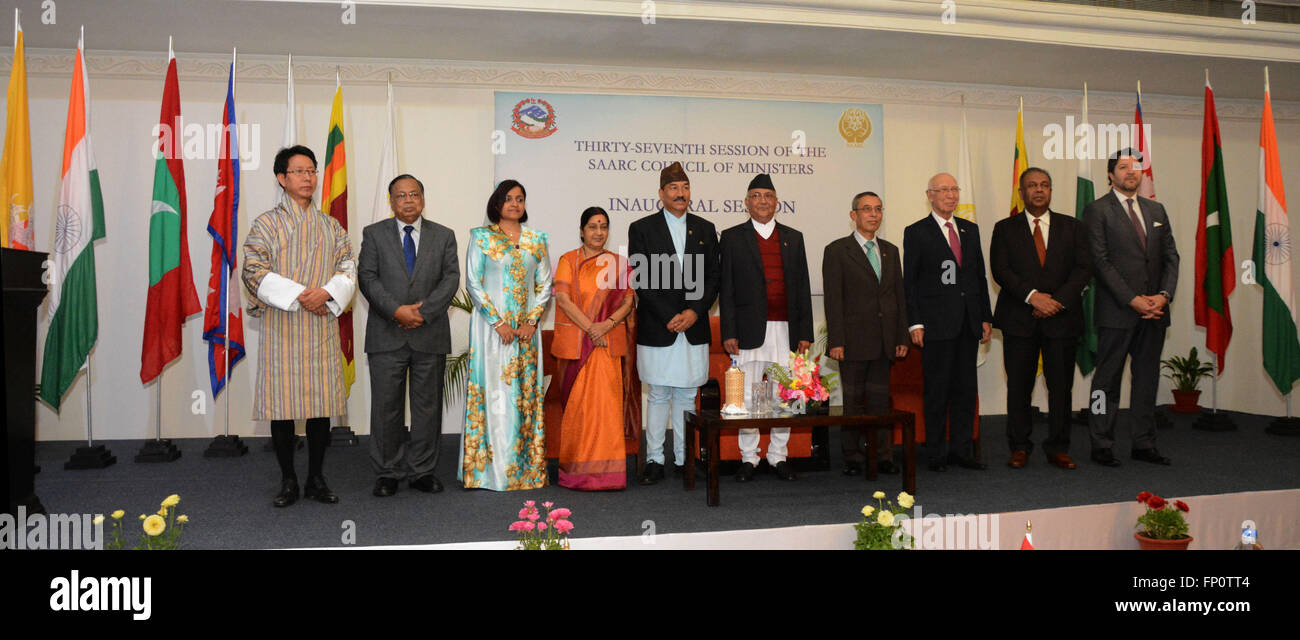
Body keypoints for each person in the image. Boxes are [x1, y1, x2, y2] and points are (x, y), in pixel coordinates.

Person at [242, 145, 356, 507]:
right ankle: (288, 479)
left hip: (320, 324)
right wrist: (299, 295)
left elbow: (348, 266)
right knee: (282, 408)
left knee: (321, 407)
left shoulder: (330, 225)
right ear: (282, 178)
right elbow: (252, 269)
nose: (308, 177)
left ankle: (316, 478)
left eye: (312, 170)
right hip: (283, 324)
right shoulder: (265, 223)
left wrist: (326, 293)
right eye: (299, 171)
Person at [358, 174, 460, 497]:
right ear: (391, 201)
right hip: (386, 333)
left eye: (414, 194)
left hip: (429, 334)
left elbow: (450, 279)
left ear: (423, 199)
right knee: (386, 407)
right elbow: (367, 278)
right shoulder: (373, 235)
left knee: (427, 407)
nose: (408, 200)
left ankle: (422, 470)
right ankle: (387, 471)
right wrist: (397, 311)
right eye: (401, 196)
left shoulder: (444, 236)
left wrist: (422, 312)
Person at [1082, 149, 1179, 467]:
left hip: (1155, 312)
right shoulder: (1097, 210)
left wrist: (1163, 296)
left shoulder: (1156, 208)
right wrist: (1133, 300)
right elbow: (1101, 262)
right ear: (1110, 175)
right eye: (1123, 167)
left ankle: (1144, 443)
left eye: (1136, 167)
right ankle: (1101, 443)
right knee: (1105, 382)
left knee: (1147, 379)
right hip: (1117, 312)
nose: (1130, 172)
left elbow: (1170, 258)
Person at [990, 168, 1091, 470]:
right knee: (1019, 387)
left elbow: (1084, 269)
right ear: (1021, 193)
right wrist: (1033, 296)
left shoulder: (1073, 227)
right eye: (1032, 185)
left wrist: (1056, 301)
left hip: (1062, 319)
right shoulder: (1004, 228)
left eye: (1044, 185)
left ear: (1051, 191)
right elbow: (1001, 270)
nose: (1039, 190)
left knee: (1061, 388)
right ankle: (1019, 446)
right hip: (1019, 318)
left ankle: (1058, 447)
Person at [627, 161, 720, 485]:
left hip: (693, 326)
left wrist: (694, 311)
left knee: (686, 395)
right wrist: (669, 314)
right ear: (661, 194)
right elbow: (641, 278)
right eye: (673, 189)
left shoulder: (705, 228)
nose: (680, 194)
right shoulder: (642, 228)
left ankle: (684, 458)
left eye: (685, 188)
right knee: (658, 394)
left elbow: (713, 277)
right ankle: (654, 459)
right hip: (658, 325)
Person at [459, 179, 553, 490]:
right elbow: (473, 282)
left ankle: (525, 471)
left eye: (520, 199)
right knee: (492, 393)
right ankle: (489, 473)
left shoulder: (536, 240)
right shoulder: (482, 237)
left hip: (526, 332)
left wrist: (531, 322)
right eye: (508, 198)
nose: (514, 204)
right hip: (491, 331)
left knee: (522, 397)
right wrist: (498, 323)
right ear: (496, 204)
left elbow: (544, 286)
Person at [719, 174, 813, 482]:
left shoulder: (793, 236)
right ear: (746, 203)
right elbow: (727, 289)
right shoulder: (732, 237)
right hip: (748, 329)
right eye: (756, 196)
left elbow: (802, 287)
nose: (762, 201)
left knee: (782, 395)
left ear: (776, 201)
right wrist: (728, 331)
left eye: (768, 195)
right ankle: (749, 458)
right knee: (745, 396)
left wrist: (805, 334)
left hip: (786, 327)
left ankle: (778, 456)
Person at [903, 172, 993, 472]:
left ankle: (963, 451)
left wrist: (984, 316)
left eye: (955, 189)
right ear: (929, 195)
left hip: (968, 324)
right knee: (938, 391)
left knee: (966, 391)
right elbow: (910, 282)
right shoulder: (916, 232)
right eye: (944, 190)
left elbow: (978, 276)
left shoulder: (970, 229)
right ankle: (937, 453)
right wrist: (914, 323)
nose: (951, 195)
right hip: (936, 326)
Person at [823, 191, 909, 476]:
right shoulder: (837, 250)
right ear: (853, 216)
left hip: (885, 340)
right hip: (852, 341)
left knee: (879, 402)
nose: (873, 214)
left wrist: (900, 337)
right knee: (853, 402)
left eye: (878, 209)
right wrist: (836, 341)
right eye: (866, 209)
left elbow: (898, 296)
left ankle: (882, 454)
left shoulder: (891, 250)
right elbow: (833, 301)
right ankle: (853, 456)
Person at [551, 207, 637, 490]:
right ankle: (576, 472)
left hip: (607, 344)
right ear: (581, 231)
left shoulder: (619, 263)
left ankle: (609, 474)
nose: (598, 232)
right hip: (578, 344)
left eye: (603, 227)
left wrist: (606, 325)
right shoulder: (568, 260)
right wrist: (591, 327)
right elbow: (562, 299)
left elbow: (628, 301)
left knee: (605, 411)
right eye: (592, 227)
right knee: (580, 411)